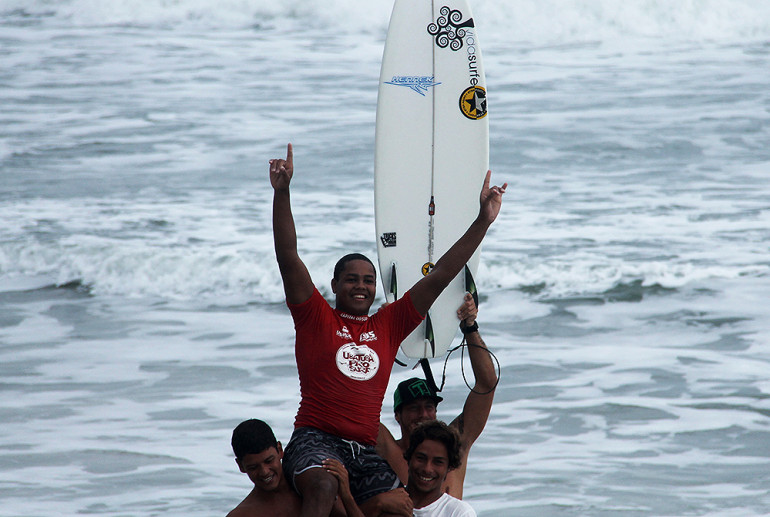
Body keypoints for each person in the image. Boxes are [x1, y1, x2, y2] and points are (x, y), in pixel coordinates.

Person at [270, 142, 506, 517]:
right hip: (315, 438)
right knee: (324, 484)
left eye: (368, 279)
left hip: (363, 451)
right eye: (351, 279)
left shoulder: (389, 323)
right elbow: (288, 257)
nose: (361, 286)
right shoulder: (315, 316)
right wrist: (282, 193)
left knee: (403, 506)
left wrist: (484, 221)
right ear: (334, 286)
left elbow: (442, 273)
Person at [377, 292, 497, 499]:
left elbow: (487, 384)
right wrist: (381, 331)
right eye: (414, 408)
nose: (423, 414)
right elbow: (353, 395)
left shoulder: (454, 446)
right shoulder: (387, 450)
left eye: (429, 407)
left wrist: (469, 327)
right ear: (397, 415)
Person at [226, 419, 301, 517]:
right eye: (253, 467)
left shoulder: (311, 488)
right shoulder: (242, 514)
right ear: (240, 466)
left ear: (280, 450)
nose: (264, 472)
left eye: (269, 461)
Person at [404, 420, 476, 516]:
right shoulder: (385, 501)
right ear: (409, 457)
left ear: (449, 467)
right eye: (421, 458)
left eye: (438, 462)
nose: (427, 469)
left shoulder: (458, 512)